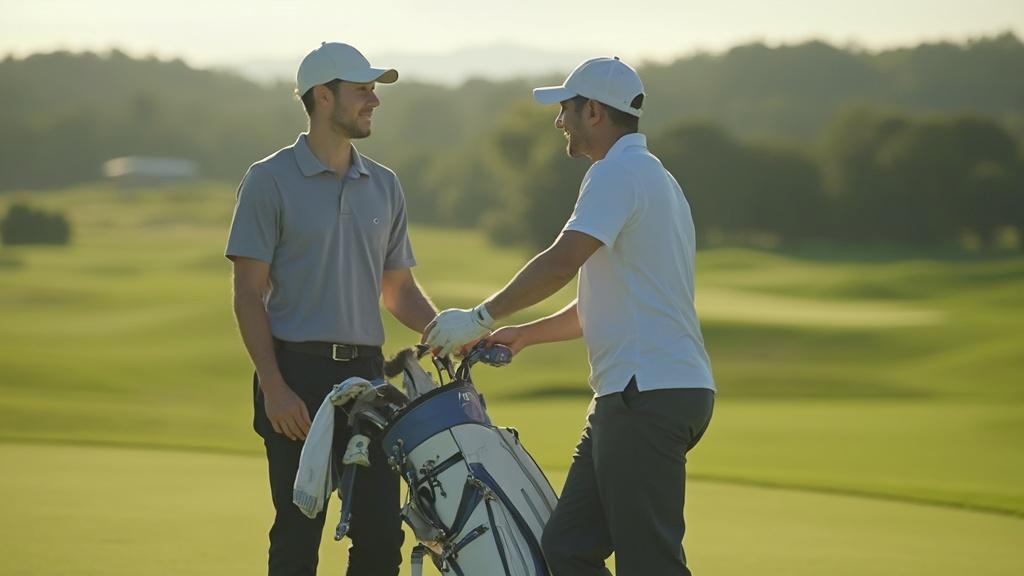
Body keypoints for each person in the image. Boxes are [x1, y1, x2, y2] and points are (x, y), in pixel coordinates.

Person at [424, 57, 716, 575]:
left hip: (646, 394)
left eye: (567, 109)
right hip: (639, 394)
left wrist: (480, 317)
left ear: (595, 112)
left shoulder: (615, 174)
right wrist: (524, 336)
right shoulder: (654, 178)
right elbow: (595, 304)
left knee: (650, 563)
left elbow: (561, 262)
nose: (560, 120)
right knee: (568, 547)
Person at [226, 42, 437, 576]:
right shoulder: (268, 179)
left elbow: (398, 291)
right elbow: (247, 293)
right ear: (324, 97)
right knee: (297, 536)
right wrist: (274, 387)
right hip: (297, 374)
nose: (374, 101)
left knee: (380, 538)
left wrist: (445, 330)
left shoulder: (384, 184)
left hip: (368, 379)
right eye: (363, 90)